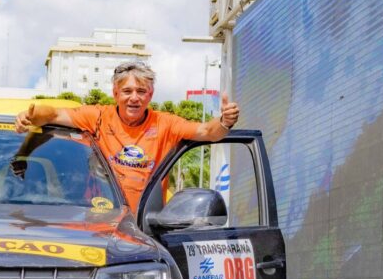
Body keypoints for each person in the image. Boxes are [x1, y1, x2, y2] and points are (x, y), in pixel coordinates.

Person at [14, 61, 239, 210]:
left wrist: (224, 121)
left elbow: (207, 132)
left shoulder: (166, 124)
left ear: (150, 95)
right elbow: (52, 114)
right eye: (127, 91)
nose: (134, 98)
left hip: (144, 226)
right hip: (99, 219)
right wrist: (30, 115)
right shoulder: (98, 117)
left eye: (141, 92)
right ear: (115, 93)